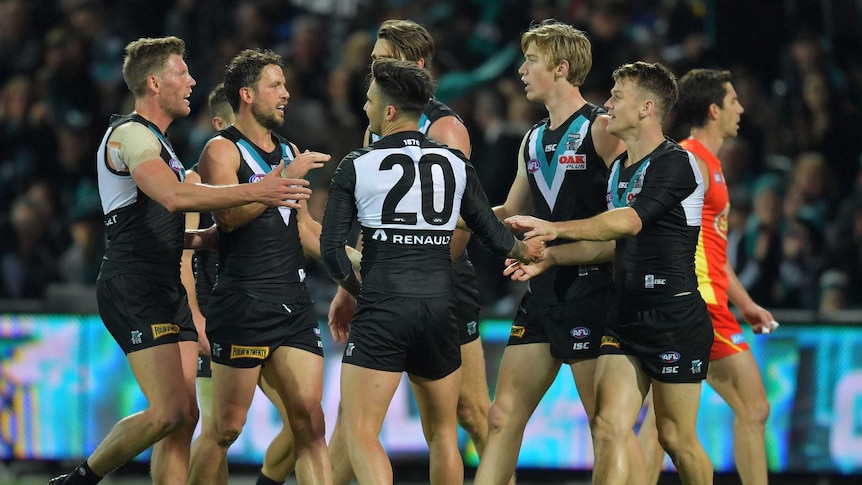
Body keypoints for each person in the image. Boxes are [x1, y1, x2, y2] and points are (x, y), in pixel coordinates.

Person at [48, 36, 311, 485]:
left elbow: (160, 222)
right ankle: (78, 479)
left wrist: (206, 239)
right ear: (154, 83)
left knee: (185, 417)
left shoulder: (162, 143)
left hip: (162, 282)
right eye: (181, 73)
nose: (191, 81)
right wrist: (262, 190)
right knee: (170, 410)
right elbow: (170, 197)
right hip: (134, 285)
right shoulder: (130, 135)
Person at [319, 58, 544, 485]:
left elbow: (332, 251)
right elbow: (491, 232)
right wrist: (524, 250)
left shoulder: (357, 163)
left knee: (360, 431)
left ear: (388, 112)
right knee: (443, 433)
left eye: (369, 101)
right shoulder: (455, 163)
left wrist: (356, 288)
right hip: (442, 310)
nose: (365, 109)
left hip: (384, 305)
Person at [506, 61, 715, 485]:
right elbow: (609, 244)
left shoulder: (678, 164)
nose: (608, 104)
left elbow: (629, 223)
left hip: (673, 318)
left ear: (647, 108)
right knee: (605, 427)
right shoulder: (619, 169)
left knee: (676, 438)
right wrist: (552, 257)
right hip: (623, 315)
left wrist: (554, 229)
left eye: (618, 97)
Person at [472, 20, 639, 485]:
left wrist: (562, 251)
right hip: (542, 292)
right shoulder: (531, 138)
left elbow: (625, 226)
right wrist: (451, 213)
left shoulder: (603, 130)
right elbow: (510, 210)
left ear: (561, 68)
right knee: (503, 416)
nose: (521, 70)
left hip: (595, 292)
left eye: (531, 61)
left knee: (606, 429)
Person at [184, 48, 333, 485]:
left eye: (285, 85)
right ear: (247, 94)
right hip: (243, 305)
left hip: (294, 304)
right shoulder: (220, 150)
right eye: (275, 86)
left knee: (310, 424)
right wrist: (283, 180)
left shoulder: (287, 149)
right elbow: (228, 219)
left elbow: (303, 228)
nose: (286, 94)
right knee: (225, 429)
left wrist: (354, 261)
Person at [636, 69, 776, 485]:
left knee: (664, 426)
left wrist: (747, 304)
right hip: (699, 304)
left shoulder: (708, 162)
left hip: (706, 299)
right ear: (714, 109)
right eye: (734, 101)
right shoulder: (689, 158)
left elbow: (713, 251)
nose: (741, 109)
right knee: (752, 409)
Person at [180, 84, 300, 485]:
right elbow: (184, 255)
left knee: (303, 424)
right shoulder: (200, 176)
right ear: (221, 125)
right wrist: (195, 316)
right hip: (219, 314)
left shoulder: (274, 168)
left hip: (267, 305)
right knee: (220, 431)